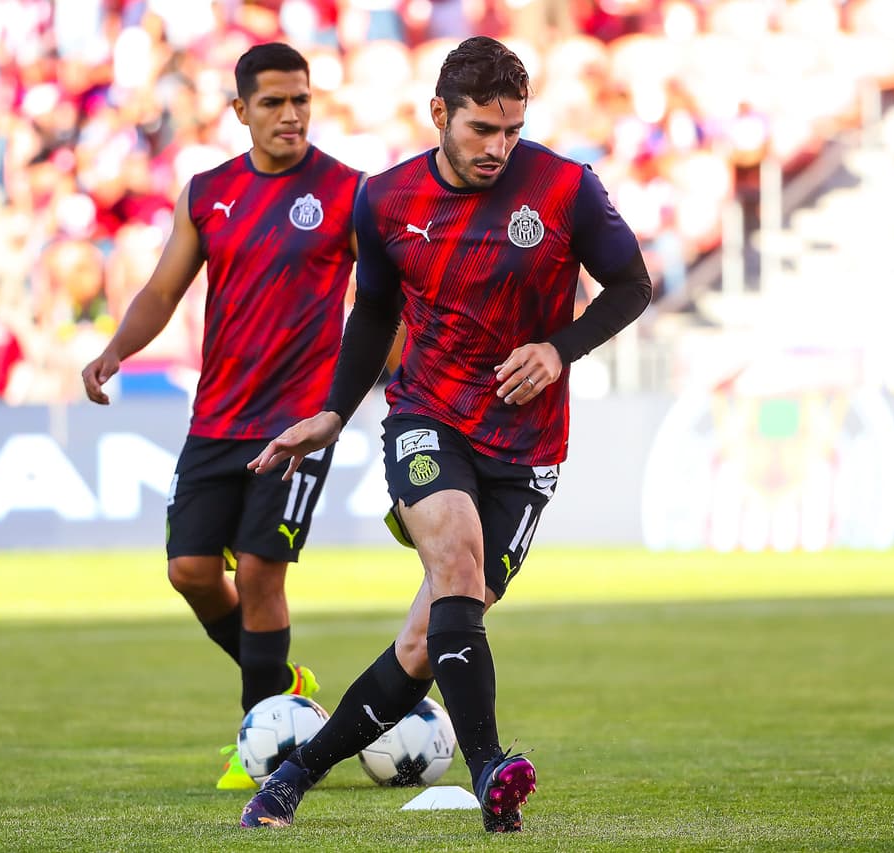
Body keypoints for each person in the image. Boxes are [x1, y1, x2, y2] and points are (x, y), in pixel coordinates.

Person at [239, 35, 652, 834]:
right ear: (440, 114)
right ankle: (492, 763)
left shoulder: (567, 187)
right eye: (481, 131)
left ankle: (293, 775)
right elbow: (374, 313)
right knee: (457, 559)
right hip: (428, 414)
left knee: (430, 639)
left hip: (528, 444)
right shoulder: (386, 201)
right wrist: (333, 408)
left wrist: (558, 347)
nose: (500, 148)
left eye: (512, 130)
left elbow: (632, 285)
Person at [79, 42, 362, 791]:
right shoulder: (208, 192)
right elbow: (163, 291)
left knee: (263, 574)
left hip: (298, 422)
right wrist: (114, 349)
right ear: (240, 111)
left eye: (300, 99)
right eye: (272, 102)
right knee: (190, 571)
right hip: (217, 416)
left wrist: (369, 383)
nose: (290, 114)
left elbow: (388, 301)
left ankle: (261, 752)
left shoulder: (346, 192)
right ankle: (285, 680)